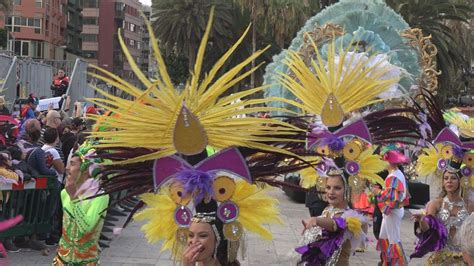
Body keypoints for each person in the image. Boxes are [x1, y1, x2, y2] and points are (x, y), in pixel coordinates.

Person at [52, 142, 109, 266]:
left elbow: (86, 229)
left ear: (86, 170)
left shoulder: (100, 196)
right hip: (61, 261)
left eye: (72, 164)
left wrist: (75, 198)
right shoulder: (64, 193)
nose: (67, 168)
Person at [411, 159, 473, 265]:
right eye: (446, 178)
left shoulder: (469, 205)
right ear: (443, 183)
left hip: (464, 259)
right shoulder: (436, 204)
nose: (449, 181)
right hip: (441, 259)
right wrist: (421, 220)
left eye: (453, 178)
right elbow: (429, 231)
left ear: (460, 181)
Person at [375, 150, 410, 266]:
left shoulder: (394, 176)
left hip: (393, 212)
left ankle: (399, 264)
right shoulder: (397, 174)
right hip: (391, 211)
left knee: (393, 240)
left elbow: (391, 196)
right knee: (383, 237)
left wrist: (378, 191)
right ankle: (387, 262)